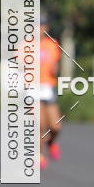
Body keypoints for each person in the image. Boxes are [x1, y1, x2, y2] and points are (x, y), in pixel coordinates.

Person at [38, 18, 62, 170]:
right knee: (39, 124)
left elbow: (55, 65)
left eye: (41, 26)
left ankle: (51, 141)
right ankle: (38, 155)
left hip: (48, 87)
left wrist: (55, 69)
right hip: (31, 88)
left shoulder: (51, 44)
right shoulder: (24, 45)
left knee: (55, 125)